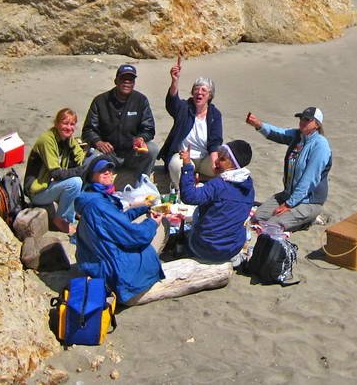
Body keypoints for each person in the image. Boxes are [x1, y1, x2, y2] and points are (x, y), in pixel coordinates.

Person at [74, 158, 168, 307]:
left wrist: (143, 207)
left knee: (145, 222)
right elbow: (134, 236)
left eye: (110, 170)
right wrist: (153, 222)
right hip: (114, 273)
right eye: (102, 170)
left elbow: (117, 220)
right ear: (91, 175)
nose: (107, 172)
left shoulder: (90, 198)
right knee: (160, 228)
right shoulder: (98, 204)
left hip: (94, 262)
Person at [245, 106, 332, 231]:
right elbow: (279, 133)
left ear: (317, 124)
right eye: (301, 118)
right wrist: (259, 125)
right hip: (288, 195)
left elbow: (309, 180)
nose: (302, 121)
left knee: (272, 225)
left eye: (307, 120)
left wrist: (288, 204)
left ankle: (309, 220)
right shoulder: (298, 136)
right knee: (258, 218)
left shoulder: (320, 146)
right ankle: (298, 217)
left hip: (309, 201)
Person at [178, 139, 255, 264]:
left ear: (234, 165)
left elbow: (189, 197)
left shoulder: (218, 185)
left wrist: (187, 165)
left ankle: (198, 251)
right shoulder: (249, 186)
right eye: (218, 157)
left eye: (222, 159)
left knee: (198, 210)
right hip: (232, 249)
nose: (217, 162)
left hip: (204, 249)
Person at [81, 63, 157, 188]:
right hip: (108, 154)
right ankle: (92, 190)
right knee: (92, 155)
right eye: (123, 79)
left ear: (134, 83)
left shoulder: (140, 100)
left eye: (130, 79)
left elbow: (149, 128)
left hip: (132, 153)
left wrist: (141, 138)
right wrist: (98, 142)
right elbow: (88, 130)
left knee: (152, 149)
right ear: (116, 80)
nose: (127, 82)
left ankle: (142, 186)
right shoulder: (100, 101)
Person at [158, 55, 223, 190]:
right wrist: (175, 81)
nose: (199, 92)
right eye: (196, 89)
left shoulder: (214, 114)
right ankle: (182, 192)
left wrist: (215, 161)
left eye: (203, 90)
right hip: (184, 156)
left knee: (224, 166)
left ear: (210, 95)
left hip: (205, 157)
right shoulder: (184, 108)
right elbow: (172, 103)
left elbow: (215, 141)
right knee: (176, 165)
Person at [24, 107, 86, 234]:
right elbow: (56, 173)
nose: (69, 128)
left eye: (72, 124)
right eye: (65, 123)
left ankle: (77, 211)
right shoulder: (47, 140)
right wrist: (81, 170)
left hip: (50, 185)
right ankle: (62, 220)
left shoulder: (68, 140)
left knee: (89, 173)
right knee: (75, 182)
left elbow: (81, 158)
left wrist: (93, 161)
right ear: (56, 123)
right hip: (37, 192)